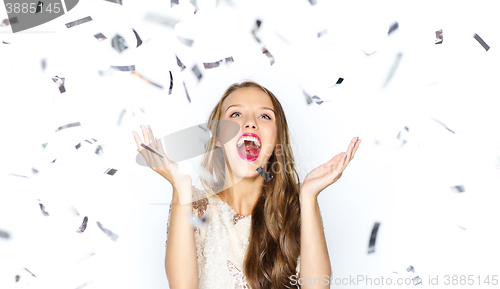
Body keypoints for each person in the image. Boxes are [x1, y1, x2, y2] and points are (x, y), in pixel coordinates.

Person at [132, 81, 361, 289]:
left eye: (264, 117)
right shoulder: (195, 208)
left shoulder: (294, 214)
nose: (250, 123)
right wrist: (181, 187)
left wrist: (309, 196)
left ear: (277, 138)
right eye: (236, 114)